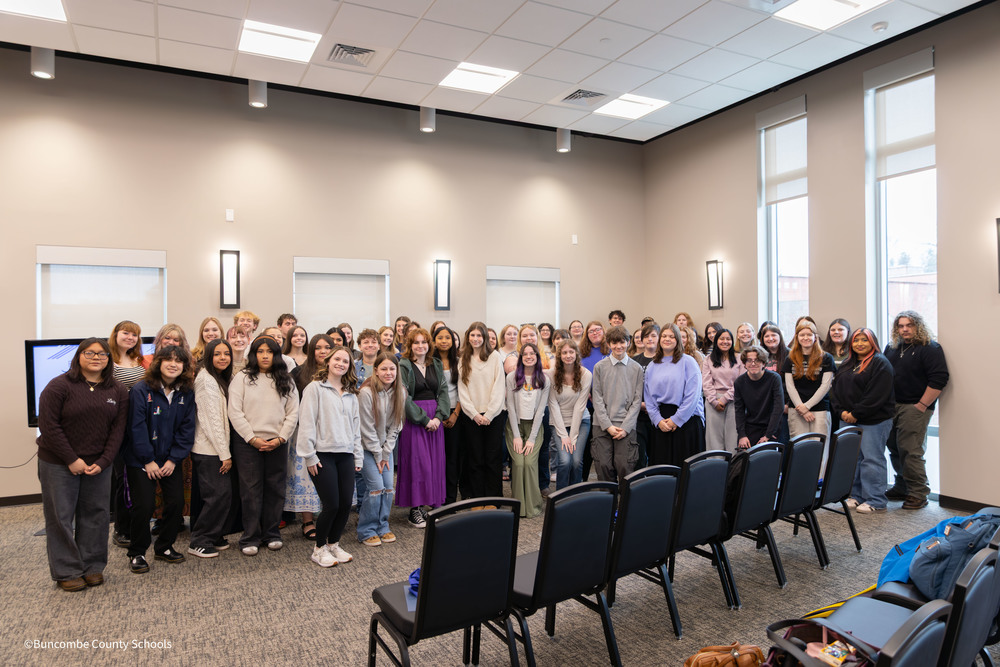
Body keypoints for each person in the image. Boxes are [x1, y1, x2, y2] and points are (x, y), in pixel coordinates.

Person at [36, 338, 128, 591]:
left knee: (96, 516)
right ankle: (67, 570)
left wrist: (104, 461)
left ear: (109, 360)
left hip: (99, 465)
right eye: (90, 353)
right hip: (57, 462)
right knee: (60, 517)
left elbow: (117, 430)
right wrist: (72, 460)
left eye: (102, 354)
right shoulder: (58, 387)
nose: (96, 357)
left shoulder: (117, 390)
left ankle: (92, 567)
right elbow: (49, 427)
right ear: (79, 356)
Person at [124, 345, 197, 573]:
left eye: (178, 360)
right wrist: (148, 460)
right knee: (144, 506)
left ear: (184, 366)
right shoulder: (140, 390)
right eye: (168, 359)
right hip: (141, 460)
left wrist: (174, 459)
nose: (173, 364)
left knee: (175, 503)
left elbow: (187, 429)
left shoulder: (186, 392)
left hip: (169, 460)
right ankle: (137, 552)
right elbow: (136, 428)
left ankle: (164, 546)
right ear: (159, 362)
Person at [229, 336, 299, 556]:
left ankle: (271, 533)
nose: (265, 355)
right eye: (260, 351)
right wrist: (251, 438)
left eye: (270, 351)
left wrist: (280, 438)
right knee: (250, 491)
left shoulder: (285, 379)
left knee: (275, 489)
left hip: (277, 442)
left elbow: (293, 413)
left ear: (276, 355)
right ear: (254, 354)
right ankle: (250, 536)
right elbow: (235, 412)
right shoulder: (242, 378)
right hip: (248, 443)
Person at [297, 346, 362, 568]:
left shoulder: (352, 394)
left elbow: (356, 428)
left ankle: (334, 544)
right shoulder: (315, 388)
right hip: (322, 455)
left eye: (346, 361)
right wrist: (309, 456)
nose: (341, 363)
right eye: (337, 359)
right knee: (331, 504)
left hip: (345, 454)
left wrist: (358, 456)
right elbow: (306, 422)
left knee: (345, 504)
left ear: (349, 366)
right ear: (328, 361)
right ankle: (319, 549)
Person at [884, 311, 949, 510]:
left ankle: (918, 493)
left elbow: (939, 378)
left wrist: (921, 405)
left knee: (910, 449)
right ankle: (902, 485)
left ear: (917, 326)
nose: (904, 329)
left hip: (915, 406)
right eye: (901, 326)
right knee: (894, 447)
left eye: (909, 325)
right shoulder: (892, 348)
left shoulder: (930, 348)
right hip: (892, 406)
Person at [831, 328, 896, 514]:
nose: (859, 343)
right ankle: (856, 495)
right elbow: (835, 390)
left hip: (873, 421)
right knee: (854, 459)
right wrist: (841, 411)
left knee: (871, 459)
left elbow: (877, 394)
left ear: (872, 342)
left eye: (864, 340)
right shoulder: (847, 363)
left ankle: (875, 499)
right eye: (856, 340)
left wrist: (856, 413)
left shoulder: (881, 364)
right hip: (847, 419)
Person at [397, 328, 449, 527]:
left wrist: (438, 417)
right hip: (415, 418)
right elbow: (403, 397)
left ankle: (430, 504)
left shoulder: (435, 363)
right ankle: (415, 509)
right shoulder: (403, 365)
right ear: (409, 346)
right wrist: (423, 419)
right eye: (416, 343)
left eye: (424, 342)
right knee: (419, 464)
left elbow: (443, 391)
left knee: (435, 463)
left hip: (435, 419)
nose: (420, 346)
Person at [189, 339, 234, 558]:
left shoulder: (218, 378)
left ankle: (213, 534)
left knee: (222, 495)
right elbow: (211, 421)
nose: (223, 358)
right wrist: (224, 454)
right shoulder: (206, 380)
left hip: (217, 449)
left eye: (226, 354)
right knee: (216, 496)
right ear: (208, 355)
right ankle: (200, 539)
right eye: (217, 354)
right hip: (209, 451)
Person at [287, 334, 334, 539]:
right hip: (304, 432)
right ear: (311, 349)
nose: (322, 351)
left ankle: (328, 517)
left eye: (327, 347)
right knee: (306, 477)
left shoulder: (336, 370)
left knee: (328, 476)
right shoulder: (298, 372)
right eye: (318, 347)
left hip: (330, 432)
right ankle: (307, 521)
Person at [357, 353, 405, 546]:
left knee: (388, 488)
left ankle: (382, 525)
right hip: (367, 448)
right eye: (383, 369)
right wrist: (378, 454)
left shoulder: (400, 391)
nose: (388, 373)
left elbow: (396, 425)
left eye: (392, 369)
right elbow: (366, 428)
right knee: (376, 488)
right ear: (375, 370)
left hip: (385, 449)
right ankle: (366, 529)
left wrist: (386, 452)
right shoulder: (366, 393)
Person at [108, 320, 147, 549]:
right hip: (118, 427)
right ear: (116, 334)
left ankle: (136, 525)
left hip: (139, 425)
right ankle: (121, 528)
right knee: (122, 479)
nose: (130, 338)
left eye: (135, 335)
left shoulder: (139, 361)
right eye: (126, 333)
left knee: (136, 479)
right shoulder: (107, 360)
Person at [457, 322, 506, 500]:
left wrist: (489, 414)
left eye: (479, 335)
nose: (476, 339)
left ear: (485, 338)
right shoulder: (463, 359)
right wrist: (475, 415)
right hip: (472, 417)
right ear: (468, 337)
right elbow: (462, 390)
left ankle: (493, 499)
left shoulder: (494, 357)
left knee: (492, 459)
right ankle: (478, 498)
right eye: (472, 335)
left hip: (494, 416)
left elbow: (499, 388)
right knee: (475, 459)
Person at [644, 324, 705, 466]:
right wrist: (658, 420)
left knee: (685, 470)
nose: (667, 339)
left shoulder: (689, 362)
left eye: (671, 336)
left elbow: (693, 396)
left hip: (686, 419)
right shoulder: (652, 365)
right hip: (661, 421)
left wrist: (676, 420)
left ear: (678, 340)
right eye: (664, 336)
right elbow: (648, 397)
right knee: (662, 469)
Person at [590, 326, 644, 485]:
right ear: (608, 343)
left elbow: (636, 400)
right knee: (604, 465)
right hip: (601, 424)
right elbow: (597, 397)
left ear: (628, 342)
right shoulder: (600, 367)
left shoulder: (636, 368)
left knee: (624, 466)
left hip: (626, 425)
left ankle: (626, 505)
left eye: (622, 342)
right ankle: (608, 504)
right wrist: (607, 425)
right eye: (614, 343)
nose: (618, 346)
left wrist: (626, 427)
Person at [505, 343, 551, 517]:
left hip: (534, 427)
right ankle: (519, 507)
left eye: (532, 353)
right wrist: (516, 436)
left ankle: (532, 506)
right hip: (515, 427)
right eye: (525, 354)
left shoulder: (544, 379)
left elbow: (540, 411)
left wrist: (531, 439)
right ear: (521, 357)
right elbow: (510, 407)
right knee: (518, 463)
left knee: (530, 463)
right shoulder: (511, 377)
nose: (529, 356)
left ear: (537, 357)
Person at [783, 321, 836, 470]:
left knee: (820, 446)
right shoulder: (790, 358)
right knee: (799, 447)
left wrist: (807, 407)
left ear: (815, 337)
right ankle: (801, 480)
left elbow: (825, 386)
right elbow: (790, 386)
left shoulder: (826, 358)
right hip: (796, 410)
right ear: (797, 337)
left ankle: (819, 482)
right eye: (802, 335)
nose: (805, 337)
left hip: (819, 409)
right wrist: (801, 408)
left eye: (809, 334)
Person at [548, 339, 592, 490]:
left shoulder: (585, 374)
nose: (568, 355)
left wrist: (572, 436)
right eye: (564, 352)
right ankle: (560, 497)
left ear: (576, 354)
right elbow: (553, 405)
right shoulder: (552, 375)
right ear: (559, 355)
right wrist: (564, 435)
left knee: (576, 460)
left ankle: (575, 495)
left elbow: (580, 407)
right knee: (565, 461)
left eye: (571, 352)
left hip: (581, 421)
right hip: (558, 421)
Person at [432, 325, 462, 505]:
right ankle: (436, 496)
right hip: (435, 414)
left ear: (453, 341)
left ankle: (450, 498)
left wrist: (455, 414)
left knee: (452, 458)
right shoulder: (429, 362)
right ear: (434, 341)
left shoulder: (459, 362)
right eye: (440, 338)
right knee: (436, 458)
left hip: (455, 414)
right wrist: (438, 415)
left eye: (447, 338)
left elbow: (463, 390)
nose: (444, 341)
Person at [702, 328, 744, 453]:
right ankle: (716, 467)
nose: (725, 342)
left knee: (733, 437)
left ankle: (733, 468)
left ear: (732, 341)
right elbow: (706, 382)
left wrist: (725, 399)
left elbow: (740, 382)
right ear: (716, 341)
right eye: (722, 339)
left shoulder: (739, 358)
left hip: (734, 400)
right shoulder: (708, 359)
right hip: (713, 401)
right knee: (713, 438)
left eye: (728, 339)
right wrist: (714, 401)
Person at [733, 346, 784, 449]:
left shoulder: (774, 379)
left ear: (764, 363)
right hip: (750, 427)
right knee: (745, 460)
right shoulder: (739, 382)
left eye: (757, 360)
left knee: (767, 460)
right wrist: (742, 435)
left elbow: (778, 408)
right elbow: (739, 411)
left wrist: (768, 435)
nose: (753, 363)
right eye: (749, 360)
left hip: (770, 427)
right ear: (744, 364)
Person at [631, 322, 660, 470]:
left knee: (656, 457)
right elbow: (629, 388)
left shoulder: (665, 360)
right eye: (646, 336)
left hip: (660, 416)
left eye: (653, 336)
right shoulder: (635, 361)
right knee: (639, 459)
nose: (650, 339)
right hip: (639, 415)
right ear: (641, 340)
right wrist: (642, 404)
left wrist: (654, 406)